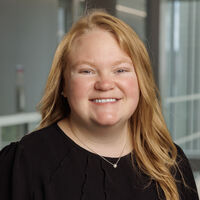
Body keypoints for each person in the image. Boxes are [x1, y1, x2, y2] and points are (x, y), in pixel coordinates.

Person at [0, 10, 199, 200]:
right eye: (87, 71)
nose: (105, 84)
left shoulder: (171, 163)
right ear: (63, 85)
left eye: (120, 70)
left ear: (141, 81)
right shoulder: (23, 163)